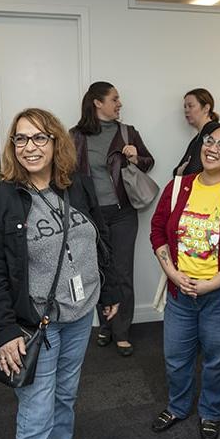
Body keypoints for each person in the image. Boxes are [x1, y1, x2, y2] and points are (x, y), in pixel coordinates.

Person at [0, 108, 120, 439]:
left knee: (66, 397)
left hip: (81, 315)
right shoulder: (2, 199)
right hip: (38, 323)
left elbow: (100, 241)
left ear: (56, 142)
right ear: (12, 146)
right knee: (37, 409)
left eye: (40, 137)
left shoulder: (78, 186)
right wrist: (4, 330)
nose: (30, 147)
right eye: (21, 138)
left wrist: (108, 290)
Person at [150, 122, 220, 439]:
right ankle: (178, 406)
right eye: (209, 140)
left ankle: (210, 413)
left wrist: (210, 284)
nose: (212, 148)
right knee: (175, 357)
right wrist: (172, 273)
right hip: (180, 293)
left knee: (217, 360)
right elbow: (158, 230)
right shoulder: (178, 187)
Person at [70, 81, 154, 356]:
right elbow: (67, 173)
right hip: (90, 216)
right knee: (96, 271)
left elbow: (148, 162)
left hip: (122, 214)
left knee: (122, 272)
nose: (119, 104)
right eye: (115, 99)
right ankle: (105, 325)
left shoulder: (128, 133)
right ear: (97, 102)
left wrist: (135, 157)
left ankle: (122, 331)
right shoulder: (75, 137)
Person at [173, 88, 220, 176]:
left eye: (190, 106)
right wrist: (179, 171)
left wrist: (181, 171)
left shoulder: (213, 132)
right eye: (185, 107)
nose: (186, 110)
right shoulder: (198, 137)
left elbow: (193, 169)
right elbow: (177, 171)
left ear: (206, 108)